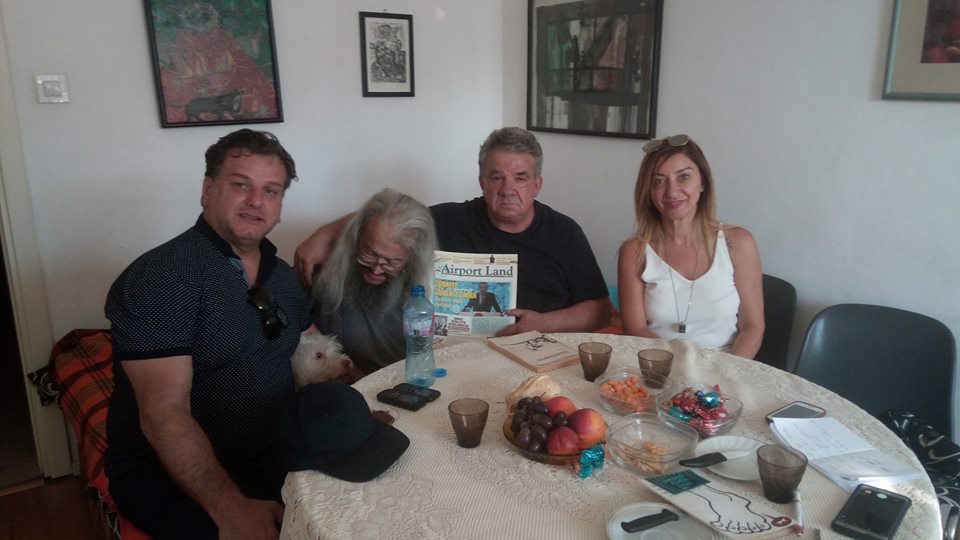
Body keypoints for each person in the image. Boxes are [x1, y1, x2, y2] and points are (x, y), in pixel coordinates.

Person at [104, 129, 309, 540]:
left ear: (280, 206)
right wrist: (232, 510)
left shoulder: (282, 276)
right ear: (208, 191)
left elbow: (315, 350)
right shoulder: (163, 276)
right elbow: (163, 412)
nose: (256, 201)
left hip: (272, 451)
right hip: (176, 474)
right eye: (241, 185)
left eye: (270, 191)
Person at [294, 127, 610, 336]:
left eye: (520, 178)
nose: (507, 189)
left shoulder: (565, 233)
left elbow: (600, 311)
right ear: (482, 182)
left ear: (537, 184)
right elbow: (390, 215)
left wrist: (542, 323)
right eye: (496, 177)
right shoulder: (452, 218)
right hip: (457, 352)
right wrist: (326, 234)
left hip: (538, 347)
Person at [617, 134, 764, 358]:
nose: (672, 192)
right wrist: (681, 368)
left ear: (703, 182)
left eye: (683, 177)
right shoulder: (634, 251)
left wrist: (727, 372)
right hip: (660, 364)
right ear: (648, 191)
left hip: (727, 366)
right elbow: (635, 330)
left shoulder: (739, 243)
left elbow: (752, 326)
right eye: (659, 181)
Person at [311, 188, 436, 375]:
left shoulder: (425, 284)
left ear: (412, 258)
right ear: (357, 236)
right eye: (369, 253)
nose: (376, 270)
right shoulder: (324, 264)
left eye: (392, 262)